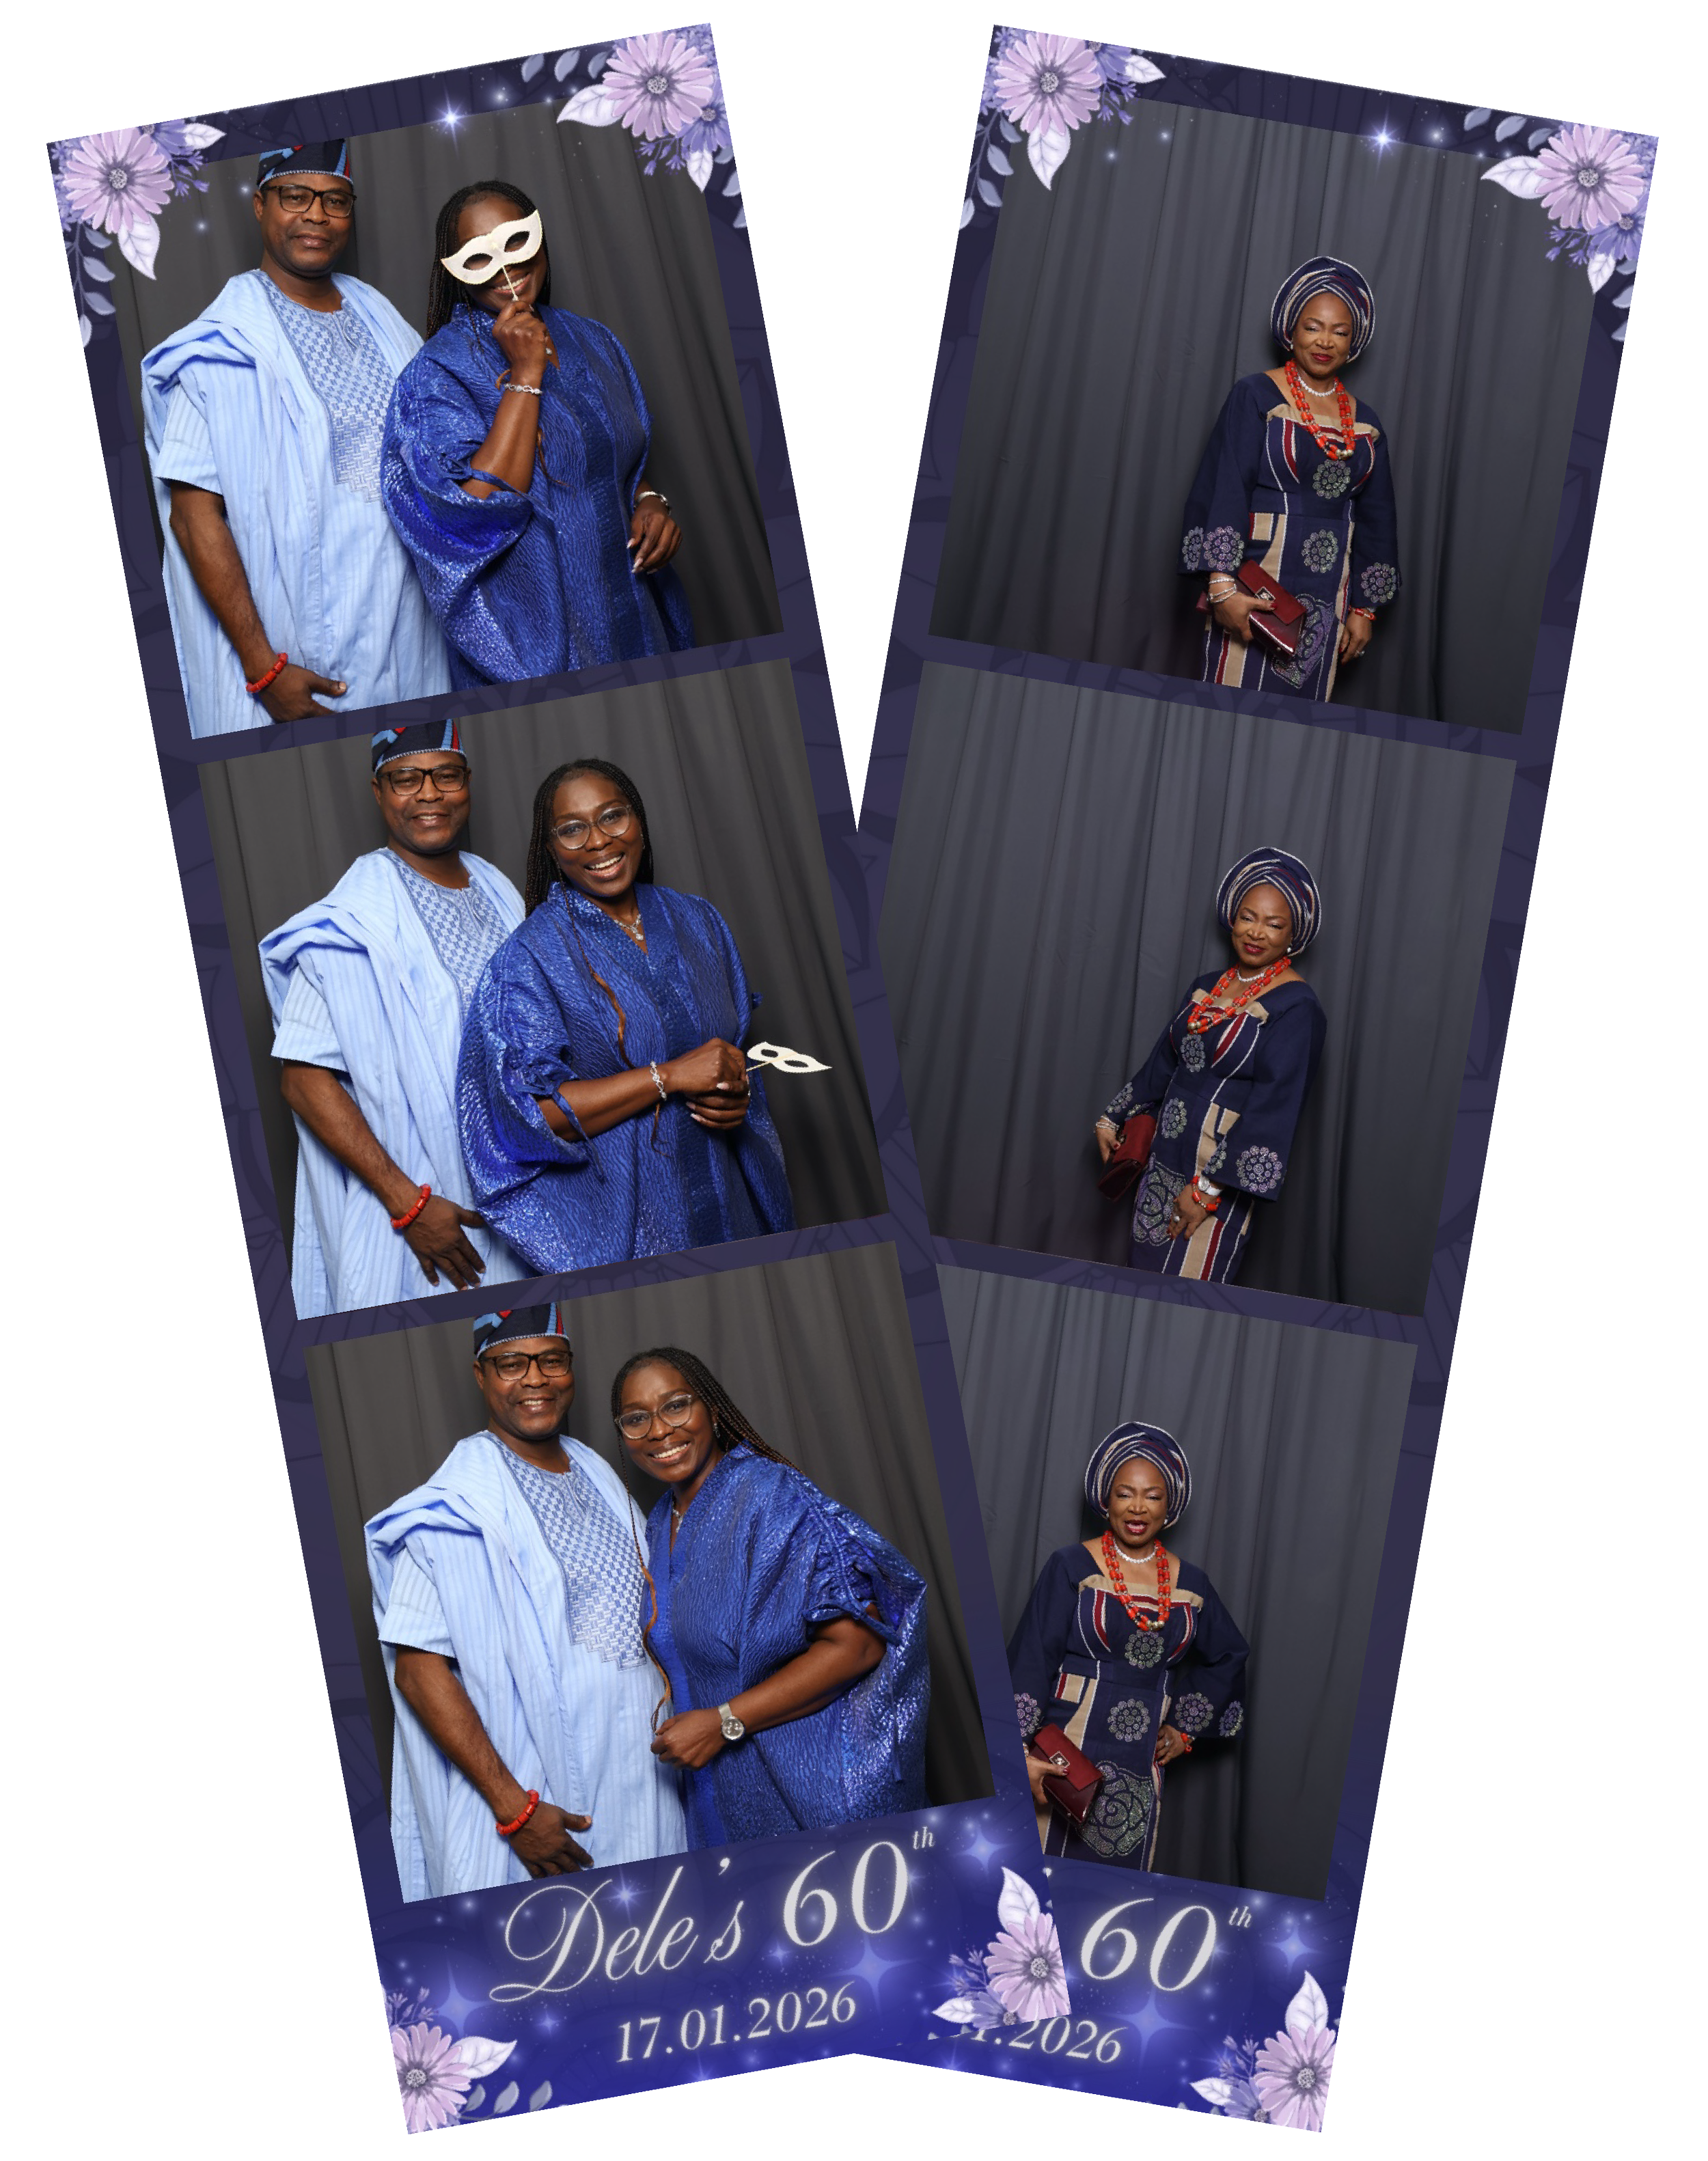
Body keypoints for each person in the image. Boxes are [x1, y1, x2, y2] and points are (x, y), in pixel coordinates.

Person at [365, 1306, 685, 1899]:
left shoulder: (597, 1469)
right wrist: (516, 1810)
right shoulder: (452, 1504)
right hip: (542, 1798)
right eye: (512, 1362)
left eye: (552, 1360)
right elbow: (416, 1670)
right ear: (481, 1374)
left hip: (650, 1778)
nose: (535, 1378)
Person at [141, 143, 449, 737]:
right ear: (261, 206)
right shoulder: (219, 344)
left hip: (410, 624)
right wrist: (263, 668)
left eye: (335, 200)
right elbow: (193, 518)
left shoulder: (381, 315)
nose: (316, 215)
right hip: (296, 645)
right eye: (295, 196)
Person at [456, 757, 795, 1273]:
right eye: (572, 829)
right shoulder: (528, 958)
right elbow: (530, 1116)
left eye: (613, 816)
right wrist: (670, 1076)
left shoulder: (699, 919)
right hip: (637, 1228)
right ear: (549, 848)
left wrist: (739, 1092)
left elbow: (730, 1052)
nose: (598, 840)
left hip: (734, 1201)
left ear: (638, 819)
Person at [260, 719, 530, 1317]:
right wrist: (409, 1204)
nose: (429, 794)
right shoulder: (351, 917)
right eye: (406, 778)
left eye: (446, 775)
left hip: (520, 1191)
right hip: (421, 1212)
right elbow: (303, 1080)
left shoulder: (499, 887)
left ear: (468, 784)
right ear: (378, 791)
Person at [612, 1346, 929, 1846]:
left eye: (676, 1405)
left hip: (805, 1794)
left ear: (712, 1411)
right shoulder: (658, 1523)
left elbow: (859, 1645)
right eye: (636, 1418)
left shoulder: (769, 1493)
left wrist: (724, 1721)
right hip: (714, 1796)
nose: (659, 1430)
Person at [381, 180, 692, 687]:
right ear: (456, 272)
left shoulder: (592, 339)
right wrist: (525, 376)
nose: (506, 266)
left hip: (635, 614)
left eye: (516, 240)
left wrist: (650, 498)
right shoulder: (436, 373)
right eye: (478, 256)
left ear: (540, 236)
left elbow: (609, 459)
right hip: (535, 646)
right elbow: (467, 513)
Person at [1007, 1424, 1247, 1872]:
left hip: (1139, 1760)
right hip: (1063, 1750)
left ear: (1169, 1505)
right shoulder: (1071, 1565)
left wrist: (1184, 1730)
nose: (1138, 1507)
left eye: (1152, 1495)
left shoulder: (1191, 1585)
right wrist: (1018, 1755)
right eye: (1125, 1493)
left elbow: (1230, 1655)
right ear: (1105, 1500)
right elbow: (1032, 1658)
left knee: (1113, 1890)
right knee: (1041, 1877)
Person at [1096, 847, 1327, 1284]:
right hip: (1162, 1163)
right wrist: (1114, 1117)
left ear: (1292, 935)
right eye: (1248, 917)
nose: (1256, 932)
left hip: (1215, 1178)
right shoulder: (1206, 987)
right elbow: (1164, 1061)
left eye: (1274, 924)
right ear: (1232, 920)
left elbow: (1274, 1112)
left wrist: (1206, 1192)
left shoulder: (1297, 1009)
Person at [1181, 256, 1400, 703]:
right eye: (1313, 326)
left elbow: (1378, 519)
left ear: (1353, 341)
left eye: (1340, 332)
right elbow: (1225, 486)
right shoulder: (1256, 395)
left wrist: (1364, 609)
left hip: (1327, 597)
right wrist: (1222, 588)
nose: (1325, 341)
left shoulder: (1367, 424)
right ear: (1291, 330)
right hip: (1254, 585)